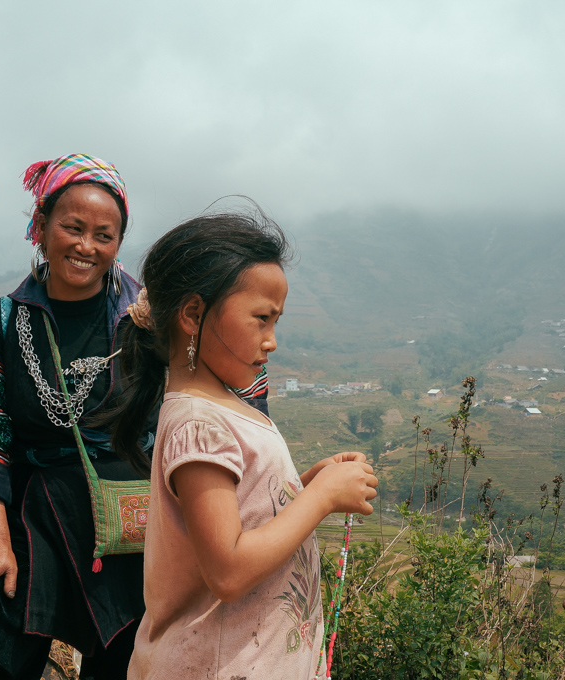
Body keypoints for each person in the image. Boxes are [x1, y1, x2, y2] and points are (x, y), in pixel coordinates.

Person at [105, 212, 379, 679]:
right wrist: (320, 498)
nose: (271, 341)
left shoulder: (222, 407)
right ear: (193, 315)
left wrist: (305, 484)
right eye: (261, 319)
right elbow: (228, 570)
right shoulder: (198, 424)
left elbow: (241, 509)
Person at [0, 154, 160, 680]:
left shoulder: (145, 322)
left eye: (104, 235)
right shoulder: (3, 319)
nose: (86, 246)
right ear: (41, 226)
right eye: (73, 228)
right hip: (35, 515)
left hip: (130, 522)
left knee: (125, 662)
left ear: (119, 242)